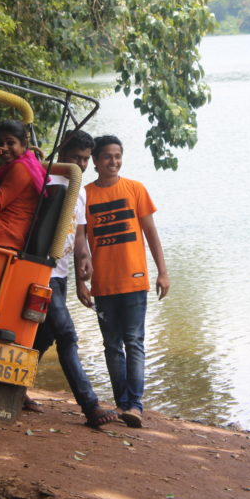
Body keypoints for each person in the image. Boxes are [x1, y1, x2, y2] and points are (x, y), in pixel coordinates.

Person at [78, 135, 170, 429]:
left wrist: (162, 271)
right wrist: (81, 282)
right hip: (103, 284)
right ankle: (122, 403)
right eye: (107, 157)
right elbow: (79, 242)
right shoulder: (85, 194)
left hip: (134, 281)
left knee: (134, 342)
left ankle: (136, 405)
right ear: (95, 161)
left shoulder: (135, 189)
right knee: (112, 345)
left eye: (117, 156)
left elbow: (151, 233)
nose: (113, 162)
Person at [31, 130, 117, 428]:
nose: (80, 165)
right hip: (43, 270)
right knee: (67, 334)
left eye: (84, 160)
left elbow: (79, 232)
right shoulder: (48, 179)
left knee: (44, 335)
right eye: (75, 158)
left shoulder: (78, 187)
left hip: (63, 271)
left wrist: (84, 262)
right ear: (62, 155)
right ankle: (90, 405)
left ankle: (15, 387)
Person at [0, 119, 45, 250]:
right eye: (0, 143)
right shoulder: (15, 165)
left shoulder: (21, 168)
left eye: (10, 143)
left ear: (23, 144)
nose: (4, 148)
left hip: (4, 235)